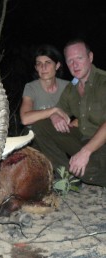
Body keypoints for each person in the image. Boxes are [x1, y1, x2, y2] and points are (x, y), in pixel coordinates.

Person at [32, 39, 106, 187]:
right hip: (82, 139)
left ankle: (82, 171)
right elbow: (59, 109)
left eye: (79, 58)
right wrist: (54, 116)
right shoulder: (71, 87)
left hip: (101, 143)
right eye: (70, 60)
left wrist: (85, 153)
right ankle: (65, 177)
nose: (75, 64)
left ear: (90, 57)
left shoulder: (103, 81)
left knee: (87, 171)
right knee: (40, 125)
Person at [20, 44, 69, 127]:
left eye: (48, 62)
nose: (43, 67)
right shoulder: (31, 87)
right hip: (36, 135)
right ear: (36, 68)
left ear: (57, 65)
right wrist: (54, 111)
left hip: (60, 135)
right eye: (39, 63)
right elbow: (25, 119)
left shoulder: (67, 86)